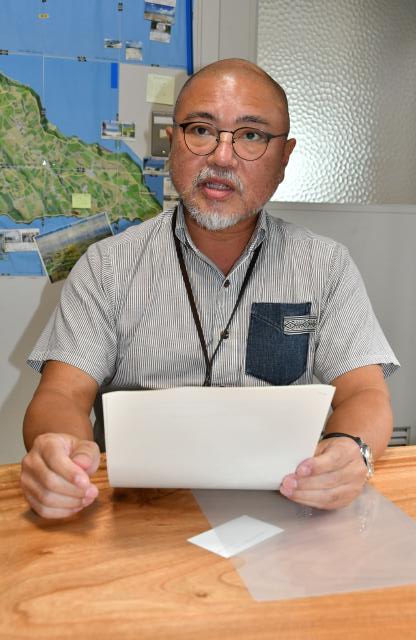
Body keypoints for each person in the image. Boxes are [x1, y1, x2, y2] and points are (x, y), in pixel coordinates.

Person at [21, 58, 399, 519]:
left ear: (284, 158)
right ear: (172, 143)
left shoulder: (326, 266)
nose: (222, 157)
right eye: (201, 130)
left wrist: (350, 450)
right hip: (139, 514)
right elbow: (61, 396)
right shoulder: (108, 267)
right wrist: (59, 453)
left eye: (251, 136)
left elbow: (365, 395)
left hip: (286, 506)